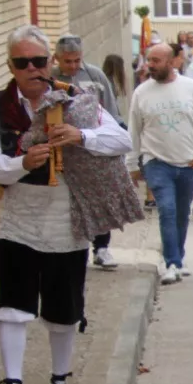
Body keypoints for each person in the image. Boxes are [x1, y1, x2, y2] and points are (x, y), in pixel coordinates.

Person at [0, 25, 142, 384]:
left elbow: (121, 140)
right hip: (20, 215)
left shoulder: (78, 99)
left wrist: (81, 136)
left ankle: (59, 383)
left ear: (49, 63)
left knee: (65, 305)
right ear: (11, 66)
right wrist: (20, 163)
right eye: (21, 62)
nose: (31, 68)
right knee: (13, 301)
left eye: (37, 61)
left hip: (67, 213)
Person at [127, 42, 193, 285]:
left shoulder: (191, 88)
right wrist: (132, 164)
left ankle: (179, 255)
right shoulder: (141, 93)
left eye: (156, 61)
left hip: (188, 163)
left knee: (181, 213)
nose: (150, 65)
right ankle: (172, 263)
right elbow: (134, 131)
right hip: (156, 161)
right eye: (148, 60)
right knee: (166, 209)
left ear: (171, 62)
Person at [53, 34, 124, 272]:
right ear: (57, 59)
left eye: (77, 61)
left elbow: (111, 111)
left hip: (94, 146)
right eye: (67, 62)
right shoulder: (51, 80)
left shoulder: (95, 77)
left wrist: (112, 142)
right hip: (65, 151)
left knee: (100, 197)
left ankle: (102, 247)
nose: (73, 66)